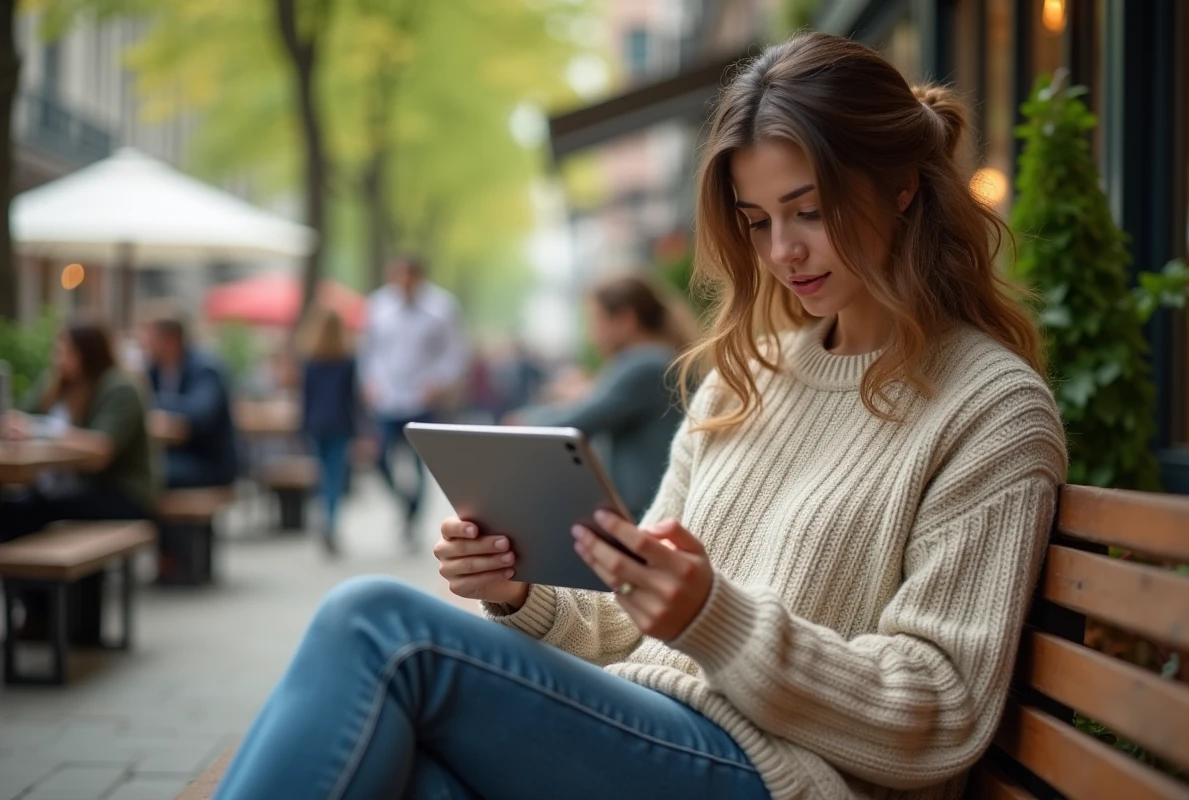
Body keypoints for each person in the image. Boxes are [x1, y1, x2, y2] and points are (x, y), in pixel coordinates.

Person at [213, 33, 1067, 800]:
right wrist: (520, 592)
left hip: (784, 779)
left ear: (904, 189)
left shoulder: (990, 411)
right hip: (651, 735)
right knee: (412, 776)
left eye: (810, 211)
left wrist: (714, 619)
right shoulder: (749, 380)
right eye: (759, 221)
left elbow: (944, 710)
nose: (783, 252)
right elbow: (627, 615)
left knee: (376, 625)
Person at [0, 319, 156, 640]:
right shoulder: (58, 384)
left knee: (27, 511)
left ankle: (42, 615)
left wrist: (41, 429)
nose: (58, 356)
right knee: (20, 510)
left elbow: (101, 450)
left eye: (65, 349)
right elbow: (22, 419)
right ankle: (40, 611)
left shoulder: (118, 386)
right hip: (77, 489)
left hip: (123, 494)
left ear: (88, 352)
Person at [509, 274, 696, 520]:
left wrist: (520, 423)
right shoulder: (660, 357)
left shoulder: (643, 362)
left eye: (596, 322)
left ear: (625, 320)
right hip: (656, 507)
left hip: (648, 513)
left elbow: (582, 418)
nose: (593, 336)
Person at [358, 254, 468, 535]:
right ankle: (404, 503)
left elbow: (455, 352)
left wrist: (438, 382)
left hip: (422, 398)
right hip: (387, 398)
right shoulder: (378, 306)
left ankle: (414, 517)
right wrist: (369, 382)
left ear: (419, 277)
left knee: (421, 463)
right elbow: (368, 351)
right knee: (379, 456)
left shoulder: (442, 308)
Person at [142, 313, 237, 489]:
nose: (145, 345)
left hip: (208, 462)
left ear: (171, 339)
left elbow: (199, 414)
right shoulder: (153, 370)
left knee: (142, 476)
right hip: (173, 456)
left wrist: (157, 410)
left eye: (150, 339)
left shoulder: (205, 369)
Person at [298, 307, 361, 556]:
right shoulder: (347, 361)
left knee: (322, 474)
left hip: (316, 424)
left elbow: (306, 397)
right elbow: (352, 399)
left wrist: (302, 427)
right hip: (340, 424)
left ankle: (324, 518)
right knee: (334, 476)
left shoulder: (310, 360)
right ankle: (331, 522)